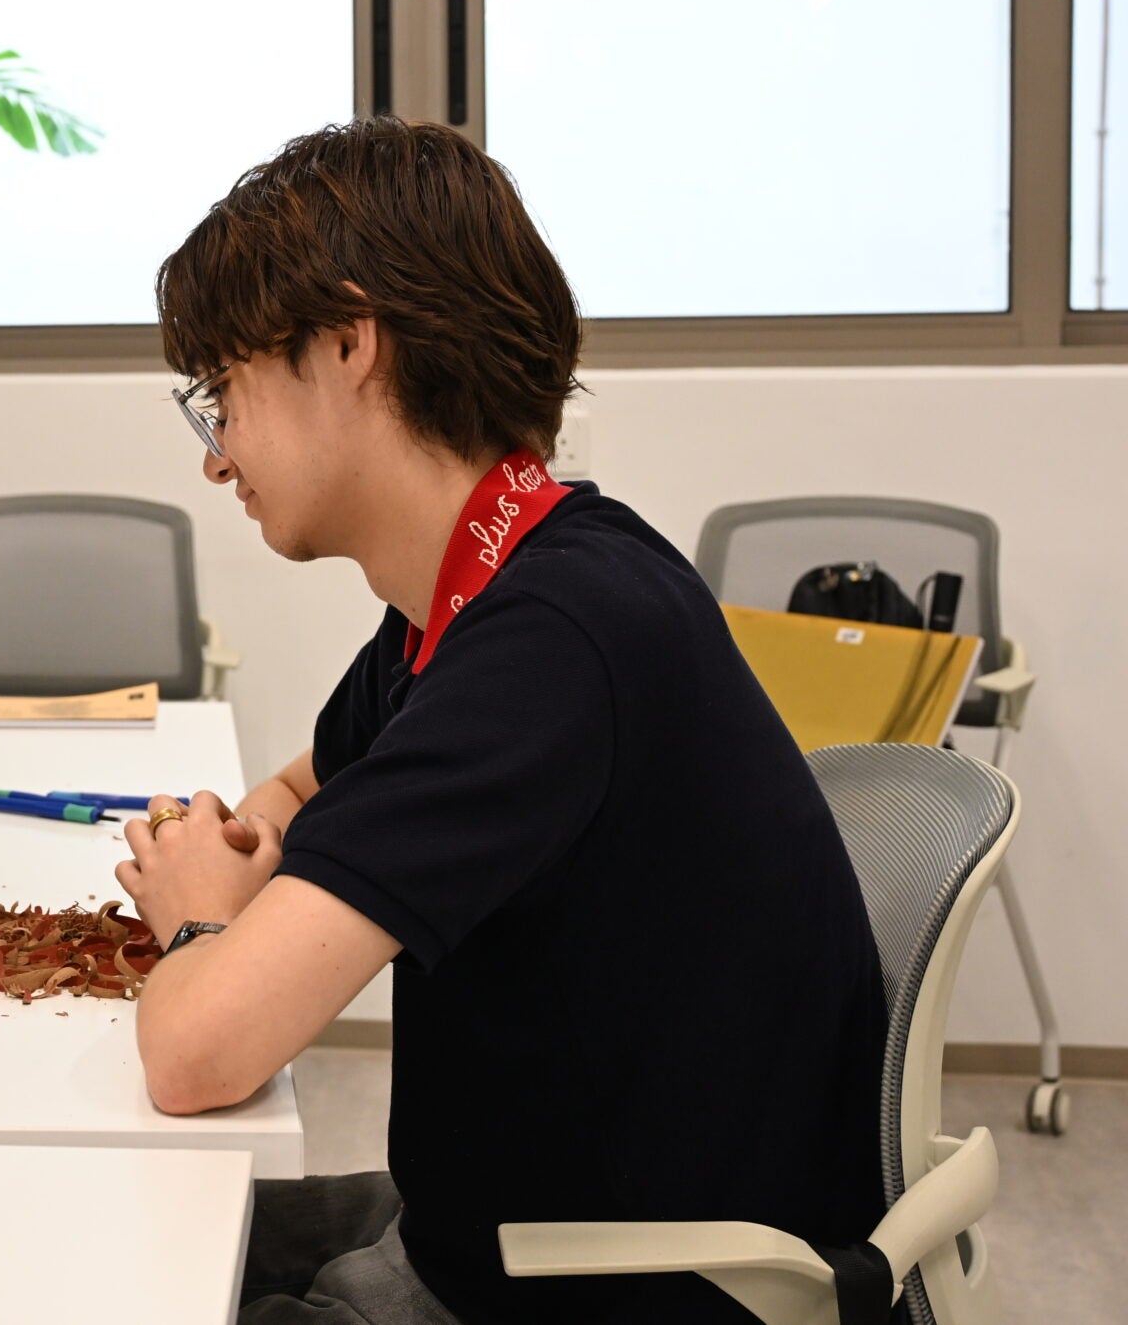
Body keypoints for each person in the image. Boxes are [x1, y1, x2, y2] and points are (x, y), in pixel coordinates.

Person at [114, 118, 888, 1325]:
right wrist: (247, 864)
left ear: (347, 344)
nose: (217, 458)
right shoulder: (498, 581)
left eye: (226, 394)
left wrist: (201, 926)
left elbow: (196, 1057)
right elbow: (304, 793)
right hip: (511, 1222)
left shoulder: (551, 641)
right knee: (107, 1230)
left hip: (619, 1286)